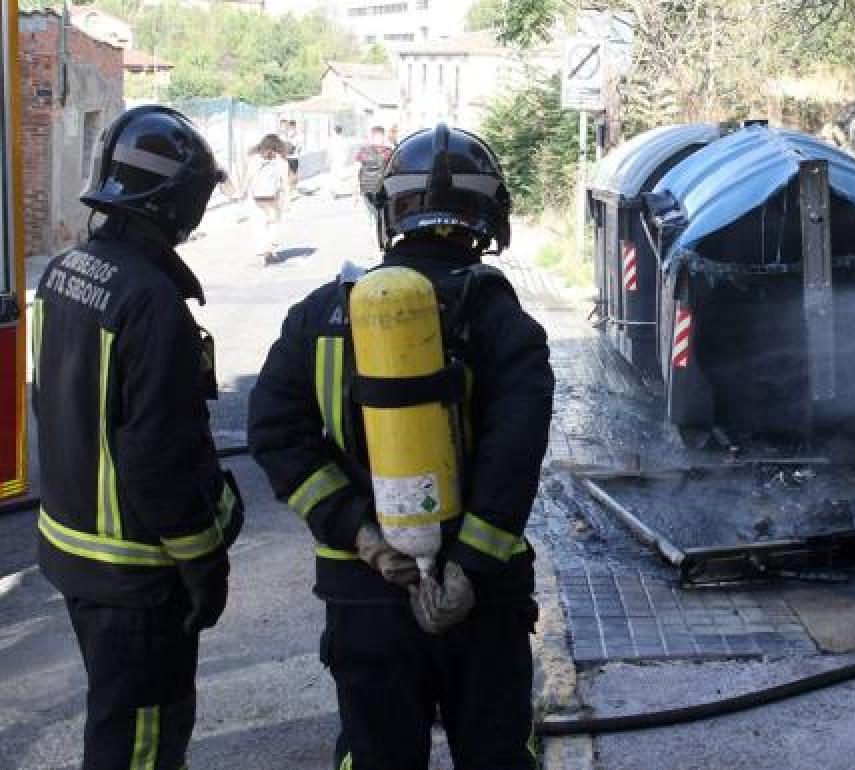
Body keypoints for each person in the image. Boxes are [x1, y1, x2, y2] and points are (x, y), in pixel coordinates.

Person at [248, 124, 553, 769]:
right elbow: (513, 462)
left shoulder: (321, 315)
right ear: (489, 217)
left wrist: (361, 535)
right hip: (482, 600)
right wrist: (468, 568)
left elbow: (276, 435)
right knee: (497, 755)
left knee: (376, 756)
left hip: (366, 595)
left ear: (390, 213)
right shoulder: (506, 326)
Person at [31, 105, 244, 768]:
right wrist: (205, 565)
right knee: (141, 748)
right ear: (180, 204)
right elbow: (160, 461)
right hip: (138, 579)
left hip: (76, 559)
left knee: (115, 724)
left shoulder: (64, 271)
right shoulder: (151, 302)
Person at [246, 134, 289, 265]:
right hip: (274, 197)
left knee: (259, 224)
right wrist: (288, 199)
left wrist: (241, 192)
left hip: (256, 197)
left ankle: (261, 252)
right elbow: (285, 182)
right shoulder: (281, 161)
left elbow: (249, 177)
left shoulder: (254, 159)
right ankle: (270, 247)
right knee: (273, 223)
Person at [356, 125, 393, 218]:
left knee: (374, 213)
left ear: (371, 137)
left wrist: (356, 190)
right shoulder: (388, 152)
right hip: (382, 188)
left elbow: (358, 169)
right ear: (383, 137)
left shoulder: (363, 151)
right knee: (382, 214)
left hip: (366, 188)